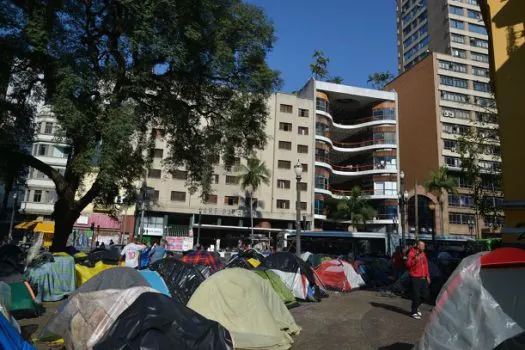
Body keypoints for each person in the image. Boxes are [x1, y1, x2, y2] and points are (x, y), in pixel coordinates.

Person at [406, 240, 430, 319]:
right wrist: (414, 261)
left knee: (426, 295)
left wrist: (428, 276)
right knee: (416, 295)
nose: (424, 247)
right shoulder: (411, 253)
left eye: (424, 245)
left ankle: (417, 306)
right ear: (418, 246)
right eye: (422, 245)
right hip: (415, 277)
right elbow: (408, 265)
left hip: (423, 277)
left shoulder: (423, 254)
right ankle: (414, 311)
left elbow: (425, 265)